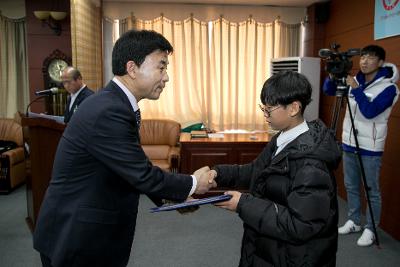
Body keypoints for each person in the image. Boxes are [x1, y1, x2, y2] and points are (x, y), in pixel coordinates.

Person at [33, 30, 217, 267]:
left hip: (85, 232)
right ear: (132, 68)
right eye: (161, 67)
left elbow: (133, 164)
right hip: (76, 237)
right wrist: (192, 184)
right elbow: (141, 174)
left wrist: (174, 197)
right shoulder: (110, 110)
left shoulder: (113, 103)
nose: (167, 77)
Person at [212, 71, 341, 267]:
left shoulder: (311, 164)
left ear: (294, 108)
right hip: (269, 247)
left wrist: (243, 204)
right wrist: (218, 174)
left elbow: (300, 226)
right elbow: (256, 171)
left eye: (269, 109)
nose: (264, 115)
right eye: (263, 108)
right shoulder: (282, 139)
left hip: (293, 257)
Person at [323, 45, 399, 246]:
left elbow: (371, 111)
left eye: (371, 57)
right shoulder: (354, 80)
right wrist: (333, 75)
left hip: (371, 147)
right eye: (363, 56)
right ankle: (355, 221)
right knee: (351, 185)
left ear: (381, 62)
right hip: (349, 142)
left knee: (371, 189)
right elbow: (328, 90)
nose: (364, 61)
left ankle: (371, 228)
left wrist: (356, 90)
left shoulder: (389, 88)